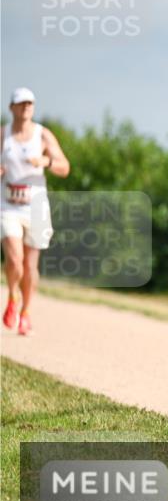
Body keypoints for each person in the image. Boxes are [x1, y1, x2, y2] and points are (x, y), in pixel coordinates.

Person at [1, 87, 70, 335]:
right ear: (12, 108)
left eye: (30, 103)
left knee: (30, 267)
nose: (26, 107)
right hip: (8, 205)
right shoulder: (3, 136)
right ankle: (11, 297)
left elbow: (65, 167)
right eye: (21, 103)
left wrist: (47, 162)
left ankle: (26, 312)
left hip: (36, 207)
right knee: (15, 259)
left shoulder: (43, 136)